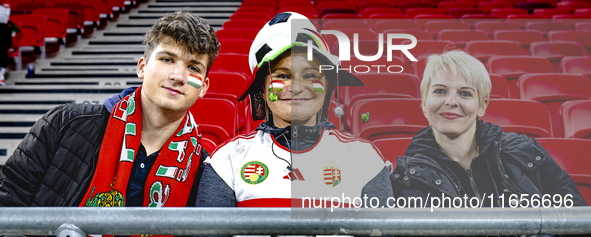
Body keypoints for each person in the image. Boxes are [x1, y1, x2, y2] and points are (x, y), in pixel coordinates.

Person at [0, 11, 220, 207]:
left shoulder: (206, 169)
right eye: (167, 59)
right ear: (142, 68)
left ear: (203, 87)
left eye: (193, 67)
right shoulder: (64, 124)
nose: (178, 76)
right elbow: (7, 202)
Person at [196, 12, 393, 208]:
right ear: (262, 91)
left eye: (309, 75)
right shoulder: (227, 160)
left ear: (326, 87)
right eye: (282, 75)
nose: (297, 87)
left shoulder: (365, 159)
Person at [390, 50, 586, 207]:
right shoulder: (406, 174)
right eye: (440, 91)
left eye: (465, 94)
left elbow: (577, 220)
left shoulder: (524, 151)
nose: (451, 102)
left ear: (482, 106)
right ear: (424, 103)